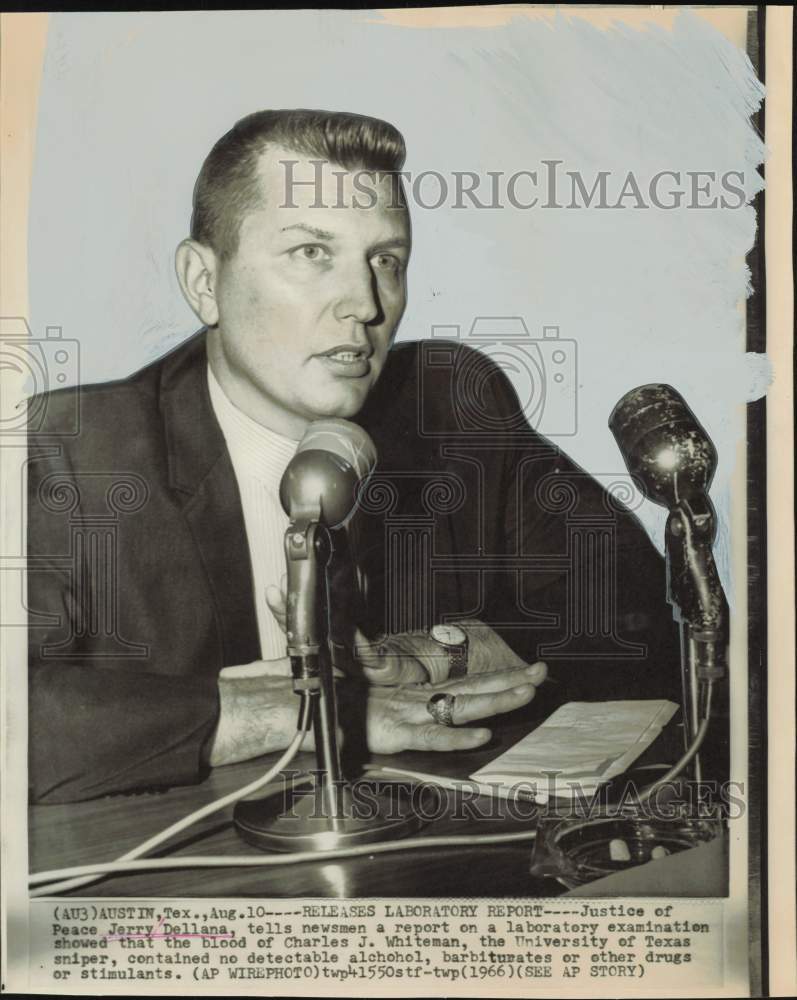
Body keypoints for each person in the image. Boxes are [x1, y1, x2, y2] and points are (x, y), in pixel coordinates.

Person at [27, 110, 679, 805]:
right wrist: (284, 715)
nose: (365, 304)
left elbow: (651, 612)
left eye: (385, 261)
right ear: (202, 281)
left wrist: (433, 655)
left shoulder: (448, 406)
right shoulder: (71, 449)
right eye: (311, 253)